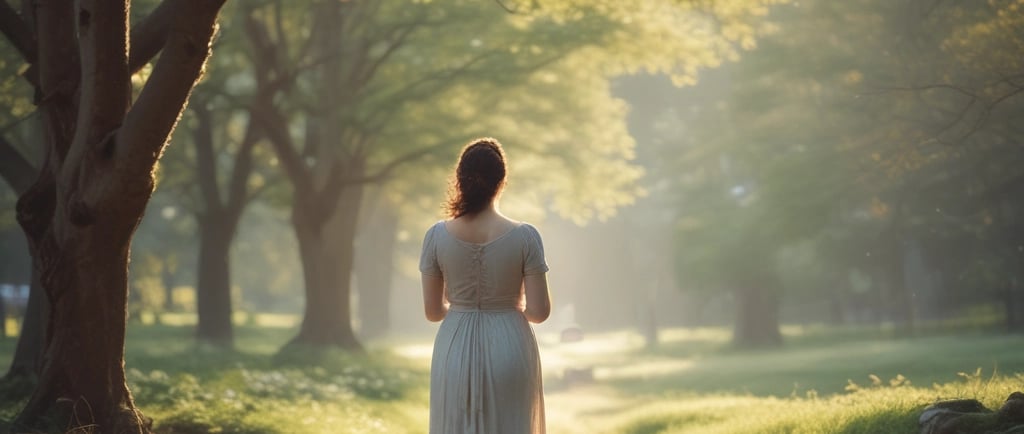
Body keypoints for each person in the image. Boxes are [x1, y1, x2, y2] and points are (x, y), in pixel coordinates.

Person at [419, 137, 551, 434]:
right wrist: (506, 308)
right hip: (510, 343)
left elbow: (433, 312)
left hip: (455, 344)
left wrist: (463, 305)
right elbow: (539, 311)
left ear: (459, 179)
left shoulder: (437, 236)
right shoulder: (526, 236)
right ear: (502, 181)